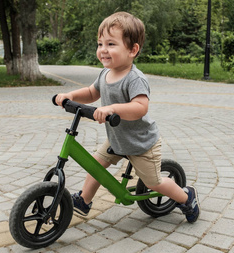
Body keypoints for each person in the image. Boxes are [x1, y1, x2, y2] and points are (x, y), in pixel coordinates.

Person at [55, 12, 199, 223]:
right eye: (100, 43)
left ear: (132, 50)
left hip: (141, 143)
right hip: (117, 137)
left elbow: (140, 107)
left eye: (111, 44)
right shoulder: (105, 73)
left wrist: (113, 108)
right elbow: (92, 93)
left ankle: (187, 197)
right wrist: (71, 96)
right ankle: (84, 201)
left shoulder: (135, 79)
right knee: (95, 165)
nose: (103, 49)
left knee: (154, 183)